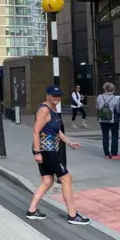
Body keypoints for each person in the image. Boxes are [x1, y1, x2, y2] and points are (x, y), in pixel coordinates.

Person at [26, 85, 90, 225]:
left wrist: (69, 142)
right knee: (66, 178)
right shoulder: (44, 110)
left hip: (49, 149)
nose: (56, 98)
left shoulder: (53, 110)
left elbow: (57, 131)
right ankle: (72, 215)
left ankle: (32, 210)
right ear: (47, 95)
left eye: (59, 96)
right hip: (46, 150)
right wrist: (37, 152)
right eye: (53, 96)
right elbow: (36, 131)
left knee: (48, 181)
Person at [96, 82, 120, 159]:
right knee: (114, 136)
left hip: (102, 119)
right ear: (113, 90)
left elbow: (97, 107)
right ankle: (114, 154)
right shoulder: (115, 98)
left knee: (105, 136)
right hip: (112, 120)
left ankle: (106, 154)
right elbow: (118, 110)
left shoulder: (99, 97)